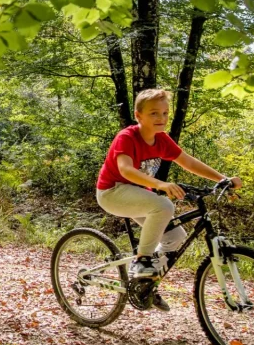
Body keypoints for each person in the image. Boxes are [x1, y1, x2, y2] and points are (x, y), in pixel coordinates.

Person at [96, 88, 241, 310]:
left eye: (165, 113)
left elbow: (189, 162)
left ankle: (145, 285)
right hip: (113, 192)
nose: (161, 118)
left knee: (175, 236)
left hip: (138, 196)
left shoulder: (162, 140)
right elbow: (125, 170)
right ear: (138, 115)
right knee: (163, 205)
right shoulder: (127, 137)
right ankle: (142, 261)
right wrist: (160, 184)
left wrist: (223, 179)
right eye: (154, 113)